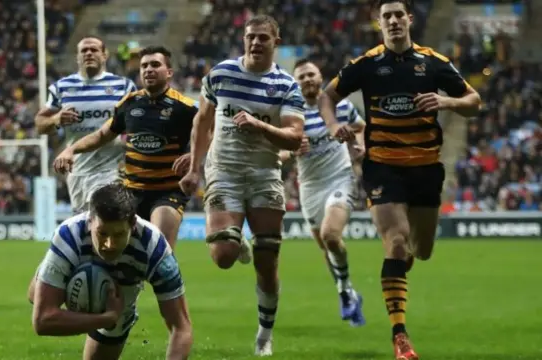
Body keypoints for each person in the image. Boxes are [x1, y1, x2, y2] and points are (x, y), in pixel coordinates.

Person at [317, 1, 481, 359]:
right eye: (385, 16)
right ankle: (400, 336)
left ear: (409, 19)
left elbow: (474, 100)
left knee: (420, 251)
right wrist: (333, 126)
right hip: (382, 166)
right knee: (395, 242)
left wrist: (444, 102)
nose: (392, 21)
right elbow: (327, 95)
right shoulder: (367, 63)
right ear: (379, 24)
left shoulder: (433, 62)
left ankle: (403, 260)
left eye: (398, 15)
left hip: (425, 168)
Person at [179, 15, 305, 356]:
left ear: (275, 41)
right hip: (225, 172)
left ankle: (265, 332)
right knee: (223, 255)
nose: (256, 42)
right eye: (251, 36)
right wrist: (194, 168)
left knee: (267, 265)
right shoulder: (220, 74)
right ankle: (236, 241)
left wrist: (260, 126)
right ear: (244, 39)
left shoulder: (287, 86)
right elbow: (202, 121)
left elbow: (295, 138)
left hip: (265, 174)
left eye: (264, 37)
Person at [52, 45, 197, 250]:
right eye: (144, 65)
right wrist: (70, 150)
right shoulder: (129, 103)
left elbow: (211, 132)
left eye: (155, 65)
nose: (148, 69)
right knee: (120, 256)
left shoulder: (185, 107)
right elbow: (102, 134)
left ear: (169, 72)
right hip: (131, 192)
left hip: (167, 192)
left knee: (159, 249)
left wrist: (195, 155)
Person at [30, 182, 192, 360]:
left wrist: (114, 316)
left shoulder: (155, 250)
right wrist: (106, 319)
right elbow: (42, 321)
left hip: (123, 290)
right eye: (102, 233)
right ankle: (47, 274)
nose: (109, 245)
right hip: (78, 262)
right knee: (35, 296)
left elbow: (181, 328)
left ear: (132, 224)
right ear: (90, 221)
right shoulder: (69, 236)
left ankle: (51, 277)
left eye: (118, 235)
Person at [279, 58, 366, 327]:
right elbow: (277, 154)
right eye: (301, 77)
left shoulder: (340, 105)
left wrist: (359, 146)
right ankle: (347, 291)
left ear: (320, 77)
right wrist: (292, 151)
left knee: (331, 235)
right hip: (310, 188)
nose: (306, 80)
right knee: (326, 247)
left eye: (310, 74)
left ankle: (344, 291)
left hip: (339, 177)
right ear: (296, 83)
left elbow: (360, 126)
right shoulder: (290, 115)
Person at [35, 36, 136, 213]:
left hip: (111, 168)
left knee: (104, 217)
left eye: (94, 50)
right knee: (87, 226)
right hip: (78, 170)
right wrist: (56, 119)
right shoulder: (62, 87)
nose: (89, 53)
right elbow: (40, 125)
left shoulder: (123, 86)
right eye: (84, 50)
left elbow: (136, 125)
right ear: (77, 57)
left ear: (105, 55)